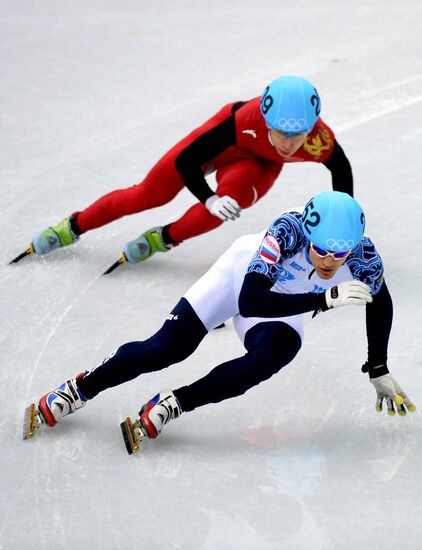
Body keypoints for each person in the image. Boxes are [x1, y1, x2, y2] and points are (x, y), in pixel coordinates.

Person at [27, 191, 415, 451]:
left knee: (273, 356)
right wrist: (323, 299)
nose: (330, 261)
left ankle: (174, 404)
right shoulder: (288, 232)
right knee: (166, 349)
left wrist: (377, 367)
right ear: (308, 235)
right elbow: (250, 300)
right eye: (321, 250)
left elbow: (380, 302)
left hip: (289, 302)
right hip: (241, 277)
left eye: (341, 253)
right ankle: (77, 390)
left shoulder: (364, 257)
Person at [26, 75, 354, 265]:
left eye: (297, 135)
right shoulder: (243, 121)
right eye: (281, 132)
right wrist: (207, 197)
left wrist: (340, 228)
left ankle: (164, 238)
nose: (288, 143)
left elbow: (341, 173)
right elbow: (187, 161)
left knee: (232, 202)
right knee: (149, 194)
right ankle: (73, 225)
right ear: (267, 121)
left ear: (309, 129)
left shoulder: (318, 140)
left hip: (257, 164)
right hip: (228, 144)